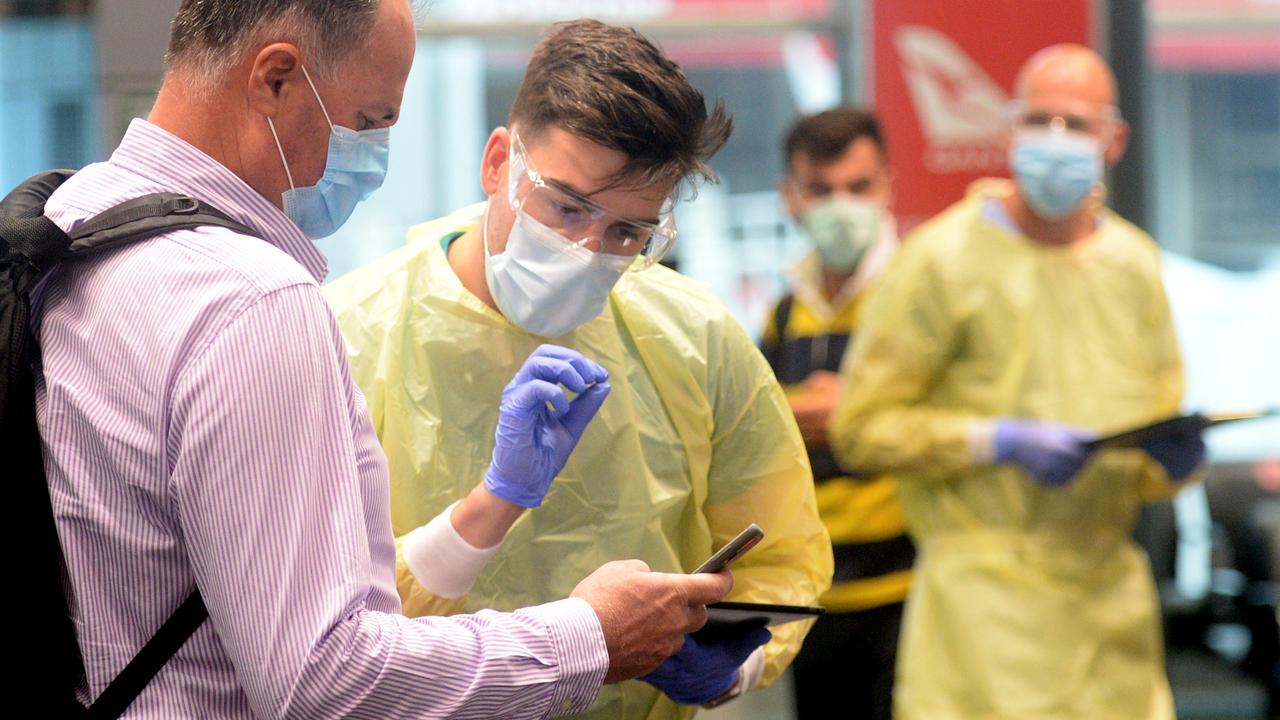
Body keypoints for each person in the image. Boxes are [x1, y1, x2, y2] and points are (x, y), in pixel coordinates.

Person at [34, 1, 732, 716]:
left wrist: (492, 505)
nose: (373, 162)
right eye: (369, 123)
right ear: (276, 79)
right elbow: (323, 679)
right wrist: (588, 638)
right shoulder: (253, 302)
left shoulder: (71, 225)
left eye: (627, 232)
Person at [323, 18, 832, 720]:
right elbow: (322, 626)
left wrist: (733, 664)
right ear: (499, 162)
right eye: (564, 207)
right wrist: (489, 508)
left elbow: (781, 557)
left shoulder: (694, 337)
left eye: (627, 232)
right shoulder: (345, 336)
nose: (587, 250)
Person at [829, 44, 1207, 720]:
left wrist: (1174, 460)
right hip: (983, 614)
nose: (1055, 141)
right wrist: (994, 440)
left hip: (1109, 618)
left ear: (1114, 140)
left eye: (1077, 124)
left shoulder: (1133, 265)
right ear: (1008, 131)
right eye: (1039, 120)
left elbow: (1155, 433)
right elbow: (861, 429)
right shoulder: (941, 259)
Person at [760, 106, 908, 720]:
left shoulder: (918, 296)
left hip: (909, 587)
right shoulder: (786, 313)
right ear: (790, 198)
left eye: (858, 186)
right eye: (820, 190)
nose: (840, 205)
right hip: (812, 596)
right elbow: (752, 426)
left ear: (887, 188)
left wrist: (855, 410)